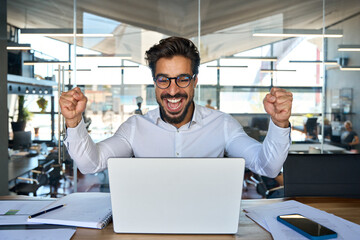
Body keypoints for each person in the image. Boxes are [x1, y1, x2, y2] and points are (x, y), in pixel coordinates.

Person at [59, 36, 293, 177]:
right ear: (155, 83)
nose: (172, 91)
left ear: (194, 82)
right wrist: (73, 122)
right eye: (164, 79)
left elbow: (267, 167)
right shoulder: (134, 128)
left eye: (182, 79)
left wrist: (279, 123)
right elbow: (91, 165)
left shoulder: (222, 125)